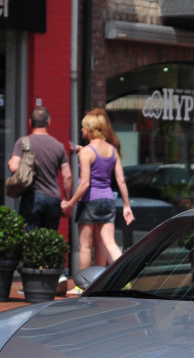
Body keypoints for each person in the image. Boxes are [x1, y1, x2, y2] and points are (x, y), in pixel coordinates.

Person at [60, 109, 134, 279]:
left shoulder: (87, 152)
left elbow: (85, 183)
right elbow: (121, 181)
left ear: (90, 129)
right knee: (106, 243)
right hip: (108, 200)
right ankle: (122, 277)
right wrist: (126, 205)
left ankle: (82, 286)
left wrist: (70, 203)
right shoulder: (112, 150)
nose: (81, 130)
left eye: (83, 127)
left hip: (89, 202)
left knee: (85, 245)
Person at [7, 106, 72, 232]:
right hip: (53, 199)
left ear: (30, 122)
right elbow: (68, 176)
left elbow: (13, 166)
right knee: (49, 242)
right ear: (49, 122)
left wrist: (11, 161)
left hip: (32, 198)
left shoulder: (23, 142)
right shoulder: (58, 146)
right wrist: (66, 199)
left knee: (30, 240)